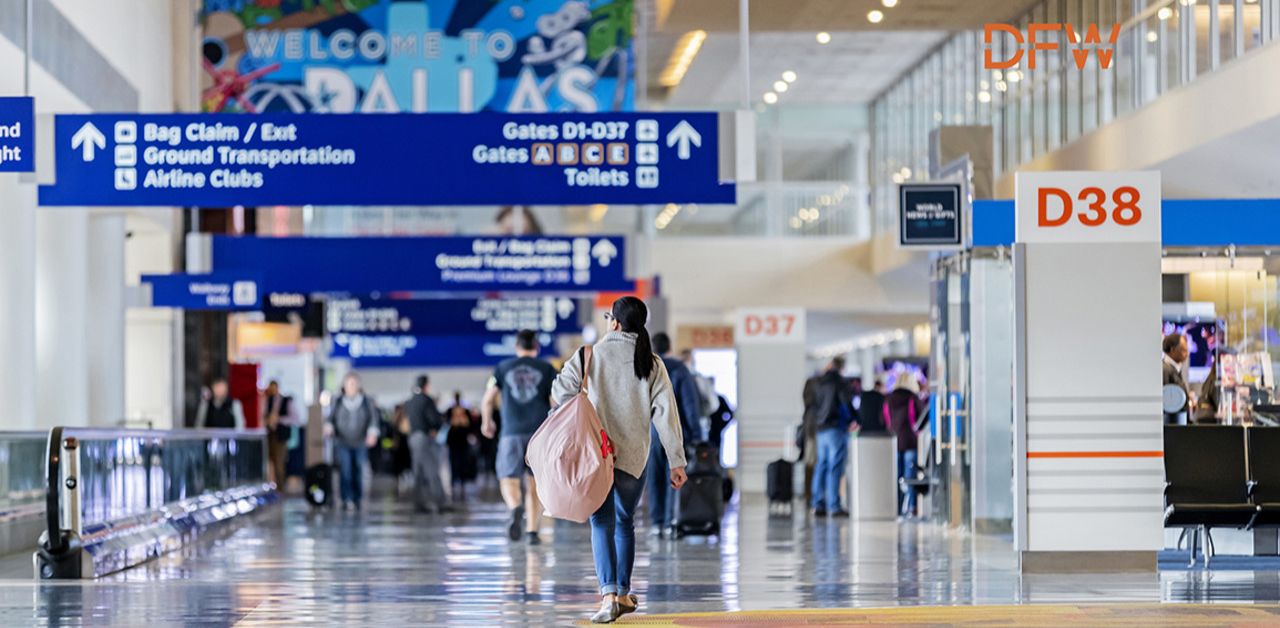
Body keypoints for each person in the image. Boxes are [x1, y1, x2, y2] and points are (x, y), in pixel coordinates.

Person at [549, 296, 687, 624]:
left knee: (601, 522)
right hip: (635, 457)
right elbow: (667, 415)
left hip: (596, 456)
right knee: (625, 522)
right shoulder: (652, 362)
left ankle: (609, 595)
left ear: (613, 322)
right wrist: (676, 460)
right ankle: (624, 594)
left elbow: (559, 393)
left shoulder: (589, 355)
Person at [482, 329, 559, 544]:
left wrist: (486, 422)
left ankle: (515, 508)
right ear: (537, 347)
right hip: (539, 434)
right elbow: (555, 400)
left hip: (511, 432)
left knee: (508, 478)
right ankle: (532, 532)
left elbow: (488, 399)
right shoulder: (547, 368)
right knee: (535, 485)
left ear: (517, 347)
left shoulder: (502, 368)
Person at [645, 332, 702, 537]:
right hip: (675, 432)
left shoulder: (647, 367)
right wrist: (696, 436)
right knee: (675, 475)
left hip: (650, 432)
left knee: (654, 478)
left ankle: (656, 522)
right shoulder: (679, 369)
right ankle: (670, 522)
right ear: (670, 347)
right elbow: (689, 405)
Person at [327, 372, 380, 511]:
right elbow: (330, 419)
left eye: (354, 384)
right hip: (342, 441)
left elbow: (373, 419)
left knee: (358, 469)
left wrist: (372, 434)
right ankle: (345, 498)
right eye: (349, 384)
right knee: (345, 470)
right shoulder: (338, 401)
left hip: (360, 442)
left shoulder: (366, 401)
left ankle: (357, 498)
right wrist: (329, 428)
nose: (352, 386)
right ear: (344, 386)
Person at [810, 357, 853, 518]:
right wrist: (854, 419)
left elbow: (813, 406)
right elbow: (846, 403)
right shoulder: (839, 382)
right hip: (836, 428)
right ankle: (834, 505)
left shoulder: (818, 383)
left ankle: (818, 504)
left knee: (821, 465)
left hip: (821, 429)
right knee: (835, 467)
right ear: (841, 368)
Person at [404, 374, 447, 514]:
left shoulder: (410, 401)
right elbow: (435, 419)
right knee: (432, 470)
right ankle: (440, 503)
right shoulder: (426, 400)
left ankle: (419, 503)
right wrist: (437, 426)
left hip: (413, 438)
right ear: (426, 385)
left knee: (418, 472)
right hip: (424, 438)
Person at [884, 375, 925, 519]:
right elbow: (921, 417)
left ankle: (896, 507)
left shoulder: (889, 398)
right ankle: (912, 507)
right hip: (910, 442)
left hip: (894, 442)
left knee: (896, 476)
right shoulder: (913, 397)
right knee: (910, 477)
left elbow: (884, 419)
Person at [261, 380, 296, 490]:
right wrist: (268, 421)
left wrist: (279, 420)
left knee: (279, 462)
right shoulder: (268, 401)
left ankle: (280, 488)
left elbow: (294, 418)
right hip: (270, 435)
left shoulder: (286, 401)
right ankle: (272, 485)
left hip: (281, 436)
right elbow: (263, 416)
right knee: (270, 461)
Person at [445, 391, 479, 501]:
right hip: (458, 440)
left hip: (457, 440)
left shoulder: (453, 411)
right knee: (458, 460)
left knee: (457, 460)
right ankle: (458, 480)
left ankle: (457, 480)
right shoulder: (461, 411)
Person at [1163, 333, 1191, 423]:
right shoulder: (1166, 370)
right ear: (1172, 350)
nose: (1187, 353)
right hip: (1173, 424)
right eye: (1183, 350)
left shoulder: (1175, 369)